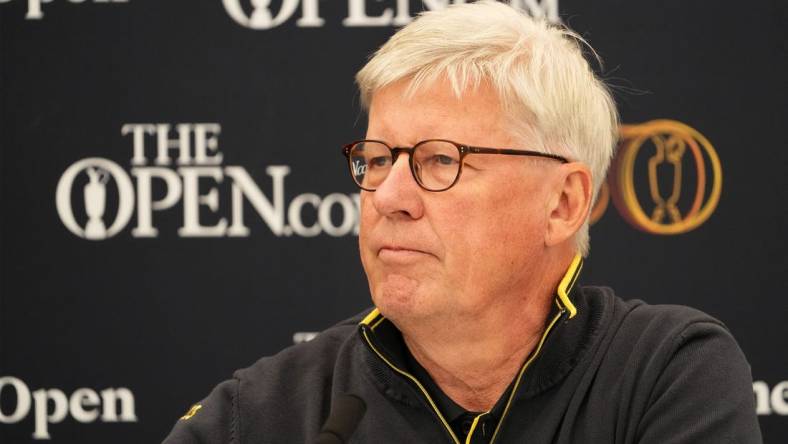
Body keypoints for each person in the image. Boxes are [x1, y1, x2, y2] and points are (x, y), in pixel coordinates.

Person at [163, 1, 761, 443]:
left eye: (440, 159)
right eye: (375, 160)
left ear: (563, 203)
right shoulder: (265, 414)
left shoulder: (665, 372)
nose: (388, 195)